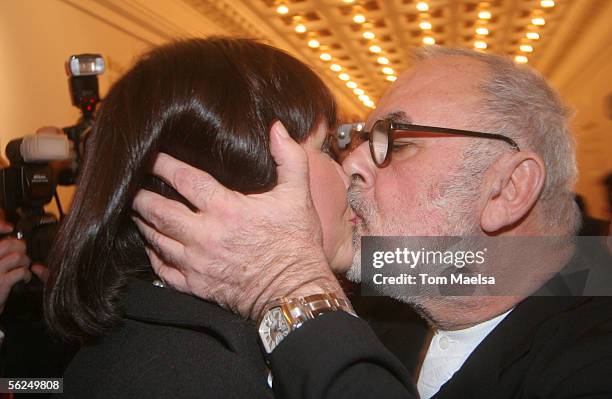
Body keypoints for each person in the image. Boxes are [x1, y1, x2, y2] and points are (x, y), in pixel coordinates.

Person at [132, 46, 612, 398]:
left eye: (396, 141)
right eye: (354, 139)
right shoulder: (425, 288)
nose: (352, 162)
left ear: (508, 189)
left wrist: (290, 288)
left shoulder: (592, 359)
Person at [44, 37, 355, 398]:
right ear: (247, 180)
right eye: (326, 148)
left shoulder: (170, 341)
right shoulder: (200, 379)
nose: (347, 177)